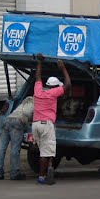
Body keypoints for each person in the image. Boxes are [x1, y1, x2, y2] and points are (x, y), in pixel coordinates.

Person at [32, 54, 70, 186]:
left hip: (35, 125)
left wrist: (39, 62)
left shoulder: (38, 90)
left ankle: (46, 171)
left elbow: (37, 76)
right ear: (55, 87)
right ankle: (42, 177)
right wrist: (63, 68)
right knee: (45, 153)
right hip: (46, 125)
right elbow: (68, 85)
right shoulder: (53, 93)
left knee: (43, 150)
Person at [0, 96, 34, 180]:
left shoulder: (27, 99)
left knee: (1, 148)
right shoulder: (37, 102)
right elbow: (27, 113)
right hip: (18, 122)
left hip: (8, 119)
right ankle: (14, 173)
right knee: (15, 148)